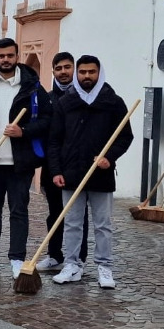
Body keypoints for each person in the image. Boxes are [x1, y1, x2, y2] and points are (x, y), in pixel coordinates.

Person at [0, 38, 52, 279]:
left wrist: (23, 131)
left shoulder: (32, 86)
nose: (5, 60)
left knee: (19, 211)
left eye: (10, 55)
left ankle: (17, 258)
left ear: (17, 56)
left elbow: (47, 119)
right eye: (1, 56)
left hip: (20, 163)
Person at [49, 55, 134, 289]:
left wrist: (110, 157)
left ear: (99, 73)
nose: (87, 76)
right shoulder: (66, 102)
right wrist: (56, 170)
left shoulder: (112, 102)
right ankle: (72, 265)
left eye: (91, 72)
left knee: (103, 224)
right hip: (71, 173)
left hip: (101, 175)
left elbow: (125, 137)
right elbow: (54, 140)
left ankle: (104, 267)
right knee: (72, 223)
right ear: (77, 74)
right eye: (83, 72)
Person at [38, 52, 89, 271]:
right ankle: (55, 255)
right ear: (53, 71)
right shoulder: (47, 98)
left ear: (74, 69)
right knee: (55, 212)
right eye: (58, 68)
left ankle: (78, 258)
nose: (63, 72)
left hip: (78, 165)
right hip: (53, 165)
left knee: (78, 214)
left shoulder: (85, 97)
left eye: (67, 67)